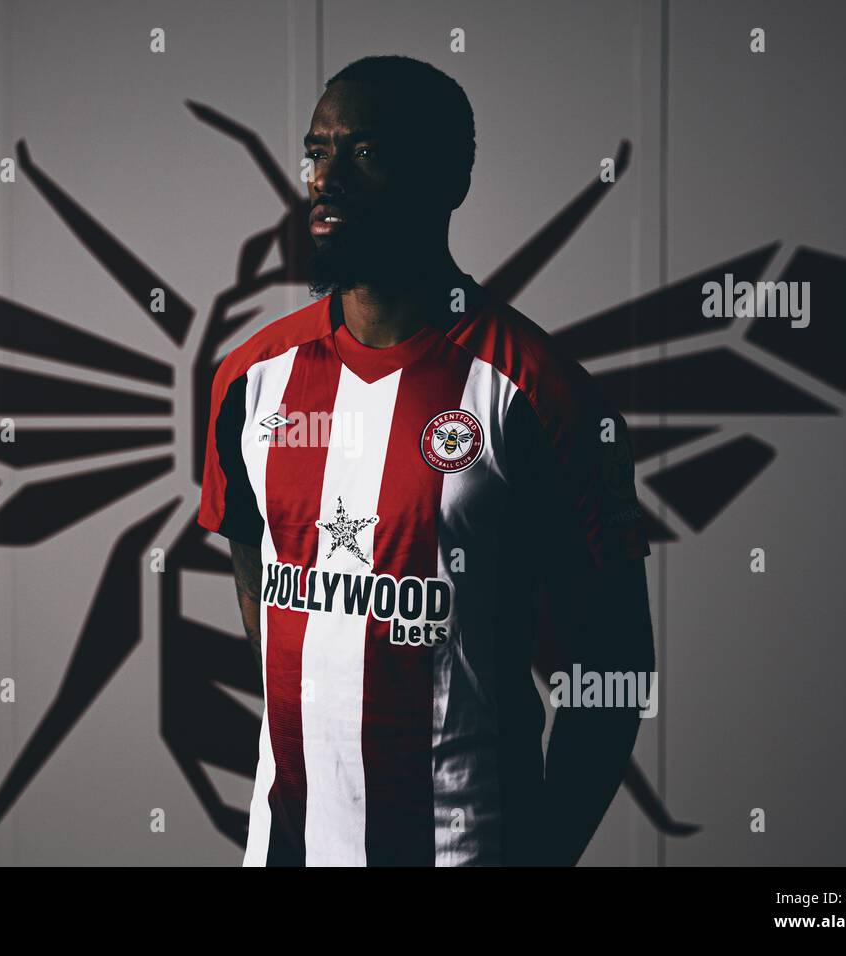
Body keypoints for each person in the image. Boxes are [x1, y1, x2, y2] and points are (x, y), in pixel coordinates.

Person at [198, 55, 655, 866]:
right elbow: (251, 568)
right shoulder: (249, 378)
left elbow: (612, 669)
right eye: (317, 152)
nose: (325, 180)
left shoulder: (538, 391)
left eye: (365, 153)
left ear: (450, 180)